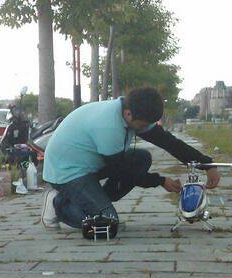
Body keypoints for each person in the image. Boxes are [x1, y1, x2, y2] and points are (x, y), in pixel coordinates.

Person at [40, 86, 221, 230]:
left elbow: (167, 142)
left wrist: (206, 164)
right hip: (66, 172)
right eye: (142, 125)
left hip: (90, 165)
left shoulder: (132, 113)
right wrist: (160, 181)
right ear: (128, 114)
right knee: (107, 221)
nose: (144, 128)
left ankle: (95, 202)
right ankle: (58, 204)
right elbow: (121, 171)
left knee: (141, 158)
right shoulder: (108, 126)